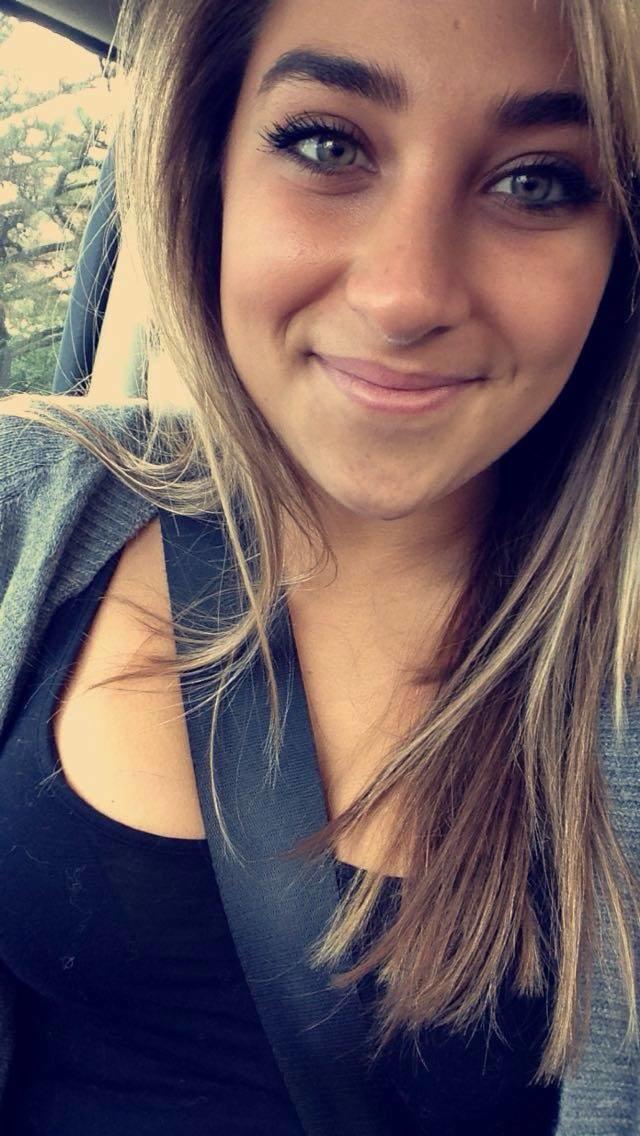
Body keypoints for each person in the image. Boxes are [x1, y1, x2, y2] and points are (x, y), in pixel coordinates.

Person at [0, 0, 639, 1131]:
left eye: (539, 181)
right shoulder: (30, 500)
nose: (404, 295)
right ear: (206, 168)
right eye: (327, 144)